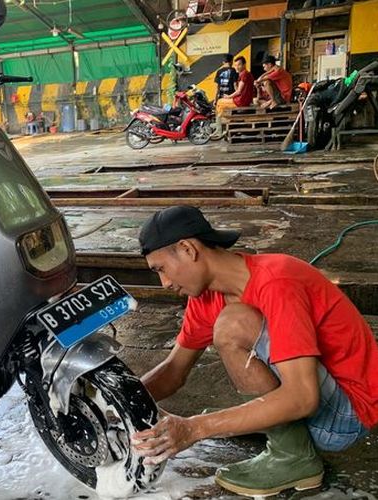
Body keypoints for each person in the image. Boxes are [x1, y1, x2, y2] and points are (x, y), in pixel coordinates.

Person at [130, 205, 378, 497]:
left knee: (234, 324)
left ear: (188, 249)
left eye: (161, 269)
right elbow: (174, 371)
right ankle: (271, 427)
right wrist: (118, 401)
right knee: (232, 325)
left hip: (347, 417)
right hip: (318, 400)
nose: (165, 283)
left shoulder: (276, 282)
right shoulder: (205, 296)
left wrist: (196, 428)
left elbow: (303, 397)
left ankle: (293, 458)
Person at [213, 56, 255, 138]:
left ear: (244, 64)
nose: (237, 67)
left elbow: (239, 91)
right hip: (243, 99)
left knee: (220, 102)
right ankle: (220, 126)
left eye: (239, 65)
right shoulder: (245, 74)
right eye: (235, 65)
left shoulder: (244, 74)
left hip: (241, 101)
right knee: (220, 104)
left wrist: (229, 97)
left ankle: (220, 128)